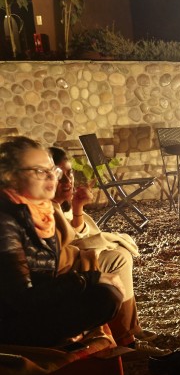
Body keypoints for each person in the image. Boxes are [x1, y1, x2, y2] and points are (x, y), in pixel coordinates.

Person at [0, 135, 123, 347]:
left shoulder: (41, 212)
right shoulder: (6, 220)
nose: (52, 178)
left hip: (37, 303)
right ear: (11, 176)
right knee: (104, 296)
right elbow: (21, 299)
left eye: (52, 171)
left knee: (108, 293)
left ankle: (124, 336)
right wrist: (88, 278)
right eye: (40, 171)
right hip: (11, 320)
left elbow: (48, 275)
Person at [50, 146, 146, 347]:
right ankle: (125, 337)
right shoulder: (37, 208)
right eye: (60, 176)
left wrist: (77, 208)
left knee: (119, 252)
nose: (68, 181)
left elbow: (74, 233)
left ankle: (130, 328)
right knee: (118, 259)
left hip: (66, 260)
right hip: (55, 272)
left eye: (70, 173)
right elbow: (64, 244)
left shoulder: (57, 206)